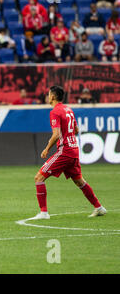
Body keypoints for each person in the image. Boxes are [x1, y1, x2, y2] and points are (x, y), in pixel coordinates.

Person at [30, 85, 106, 220]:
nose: (48, 97)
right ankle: (99, 207)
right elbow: (76, 130)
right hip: (74, 150)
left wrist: (47, 148)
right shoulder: (68, 110)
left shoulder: (55, 111)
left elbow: (56, 134)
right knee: (79, 181)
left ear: (53, 96)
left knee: (39, 178)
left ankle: (43, 213)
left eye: (49, 94)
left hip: (64, 151)